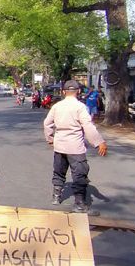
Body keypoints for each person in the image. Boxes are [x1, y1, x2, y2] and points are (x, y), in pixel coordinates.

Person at [43, 80, 107, 212]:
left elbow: (47, 124)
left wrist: (50, 138)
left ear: (63, 92)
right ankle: (79, 203)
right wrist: (99, 142)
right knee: (79, 174)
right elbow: (87, 126)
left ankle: (56, 196)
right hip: (75, 147)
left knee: (59, 171)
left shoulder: (57, 106)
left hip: (59, 145)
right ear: (78, 92)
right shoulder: (80, 107)